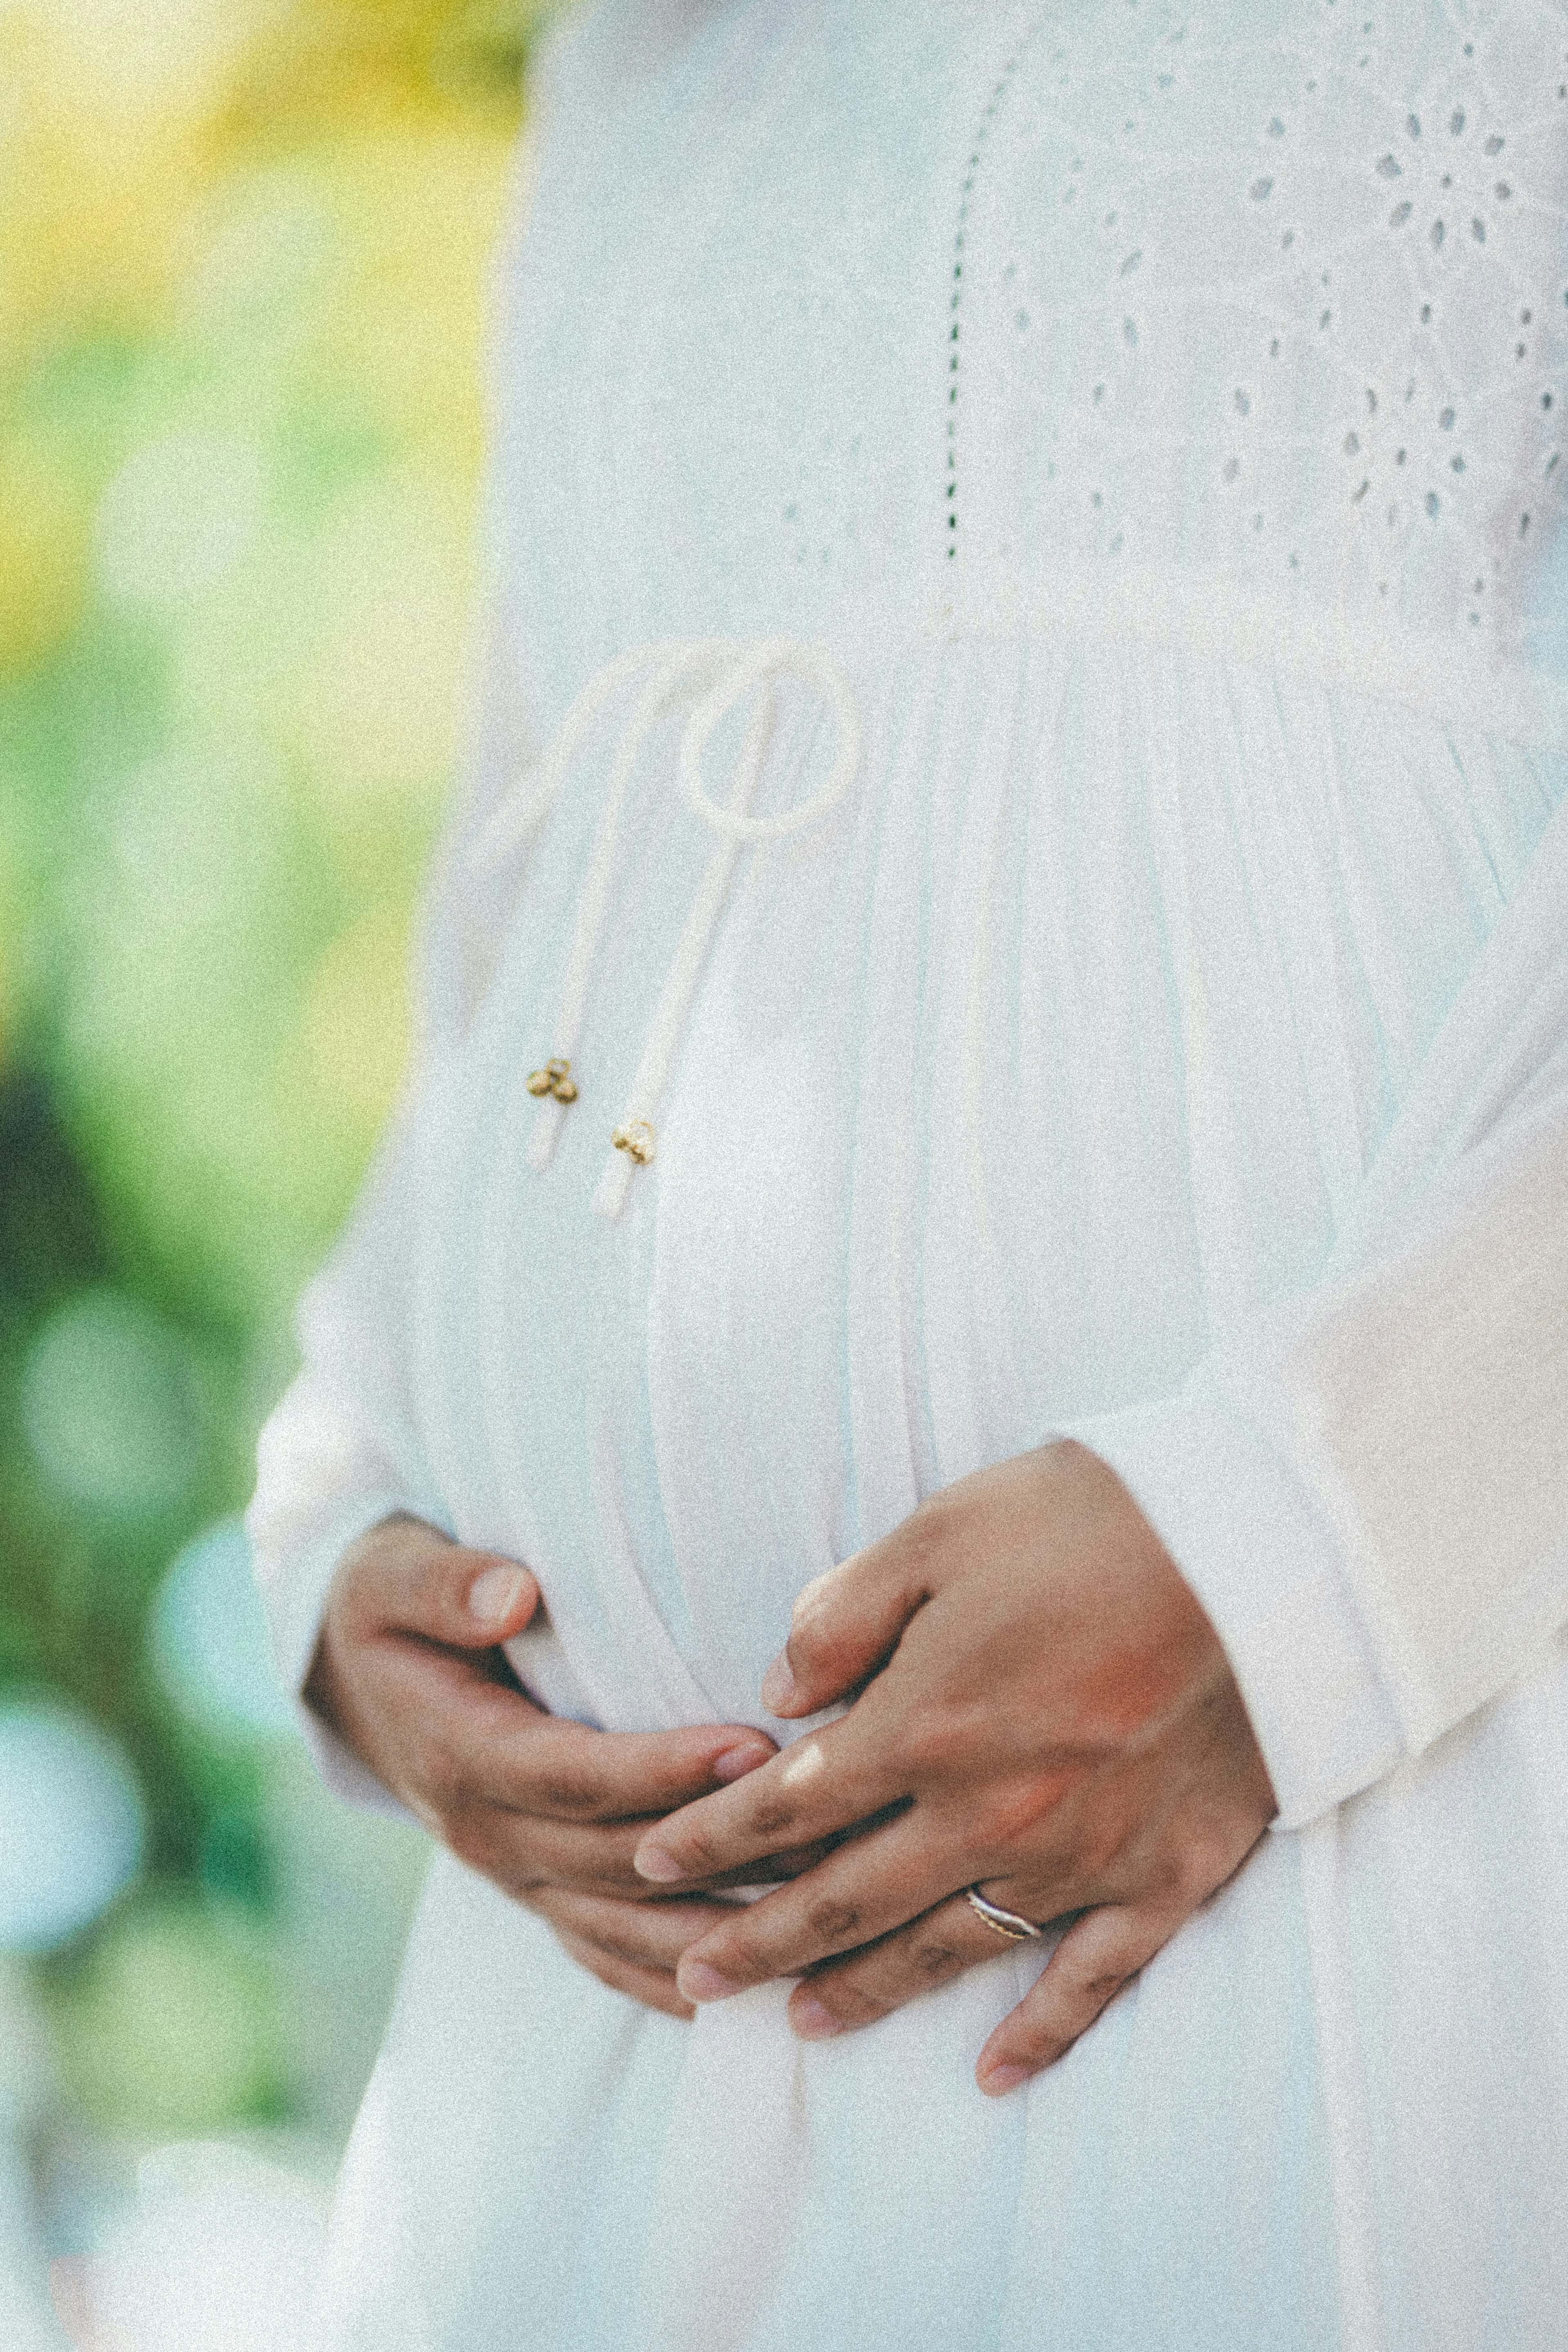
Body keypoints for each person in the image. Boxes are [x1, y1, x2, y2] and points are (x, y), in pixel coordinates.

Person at [249, 2, 1568, 2345]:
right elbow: (510, 935)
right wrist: (347, 1545)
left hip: (1365, 1814)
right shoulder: (628, 84)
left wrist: (1296, 1573)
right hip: (605, 2043)